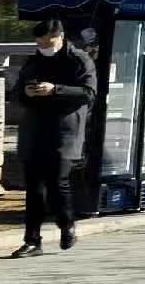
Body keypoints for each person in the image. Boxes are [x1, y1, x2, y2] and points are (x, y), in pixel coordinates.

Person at [10, 17, 95, 257]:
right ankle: (32, 241)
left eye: (48, 43)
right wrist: (26, 92)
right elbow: (16, 93)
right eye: (39, 43)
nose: (44, 48)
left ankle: (67, 225)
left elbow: (88, 93)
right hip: (34, 129)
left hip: (64, 131)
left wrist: (55, 89)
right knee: (34, 188)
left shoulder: (79, 60)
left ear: (60, 37)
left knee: (58, 183)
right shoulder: (33, 61)